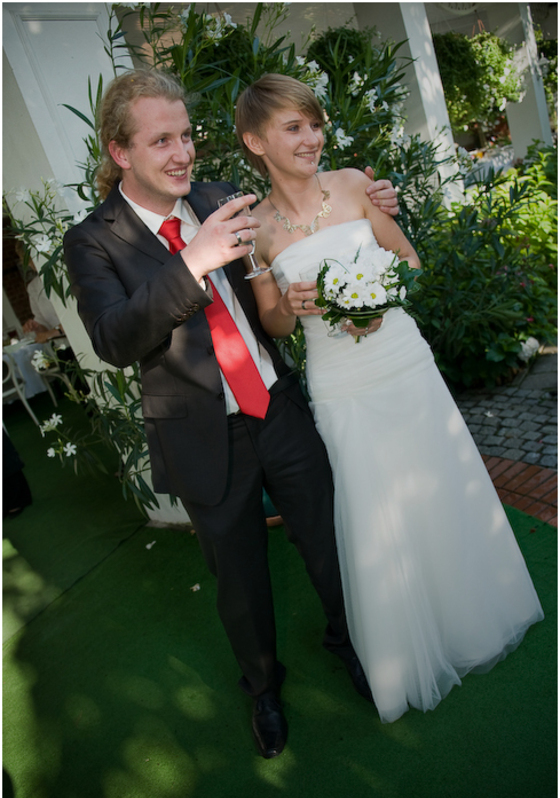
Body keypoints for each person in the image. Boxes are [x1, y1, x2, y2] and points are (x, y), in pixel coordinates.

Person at [63, 69, 400, 758]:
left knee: (329, 537)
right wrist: (192, 263)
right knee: (239, 579)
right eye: (162, 140)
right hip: (200, 434)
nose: (183, 152)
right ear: (120, 152)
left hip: (278, 405)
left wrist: (378, 202)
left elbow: (307, 215)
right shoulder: (92, 239)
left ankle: (351, 641)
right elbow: (114, 339)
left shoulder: (221, 196)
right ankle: (264, 688)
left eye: (186, 135)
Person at [235, 73, 544, 724]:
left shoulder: (354, 185)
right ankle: (407, 643)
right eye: (294, 127)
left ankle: (474, 612)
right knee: (373, 506)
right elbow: (273, 324)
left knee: (441, 480)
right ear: (256, 141)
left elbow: (409, 260)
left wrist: (378, 295)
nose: (312, 138)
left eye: (315, 124)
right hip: (339, 382)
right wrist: (290, 304)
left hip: (402, 359)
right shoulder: (254, 229)